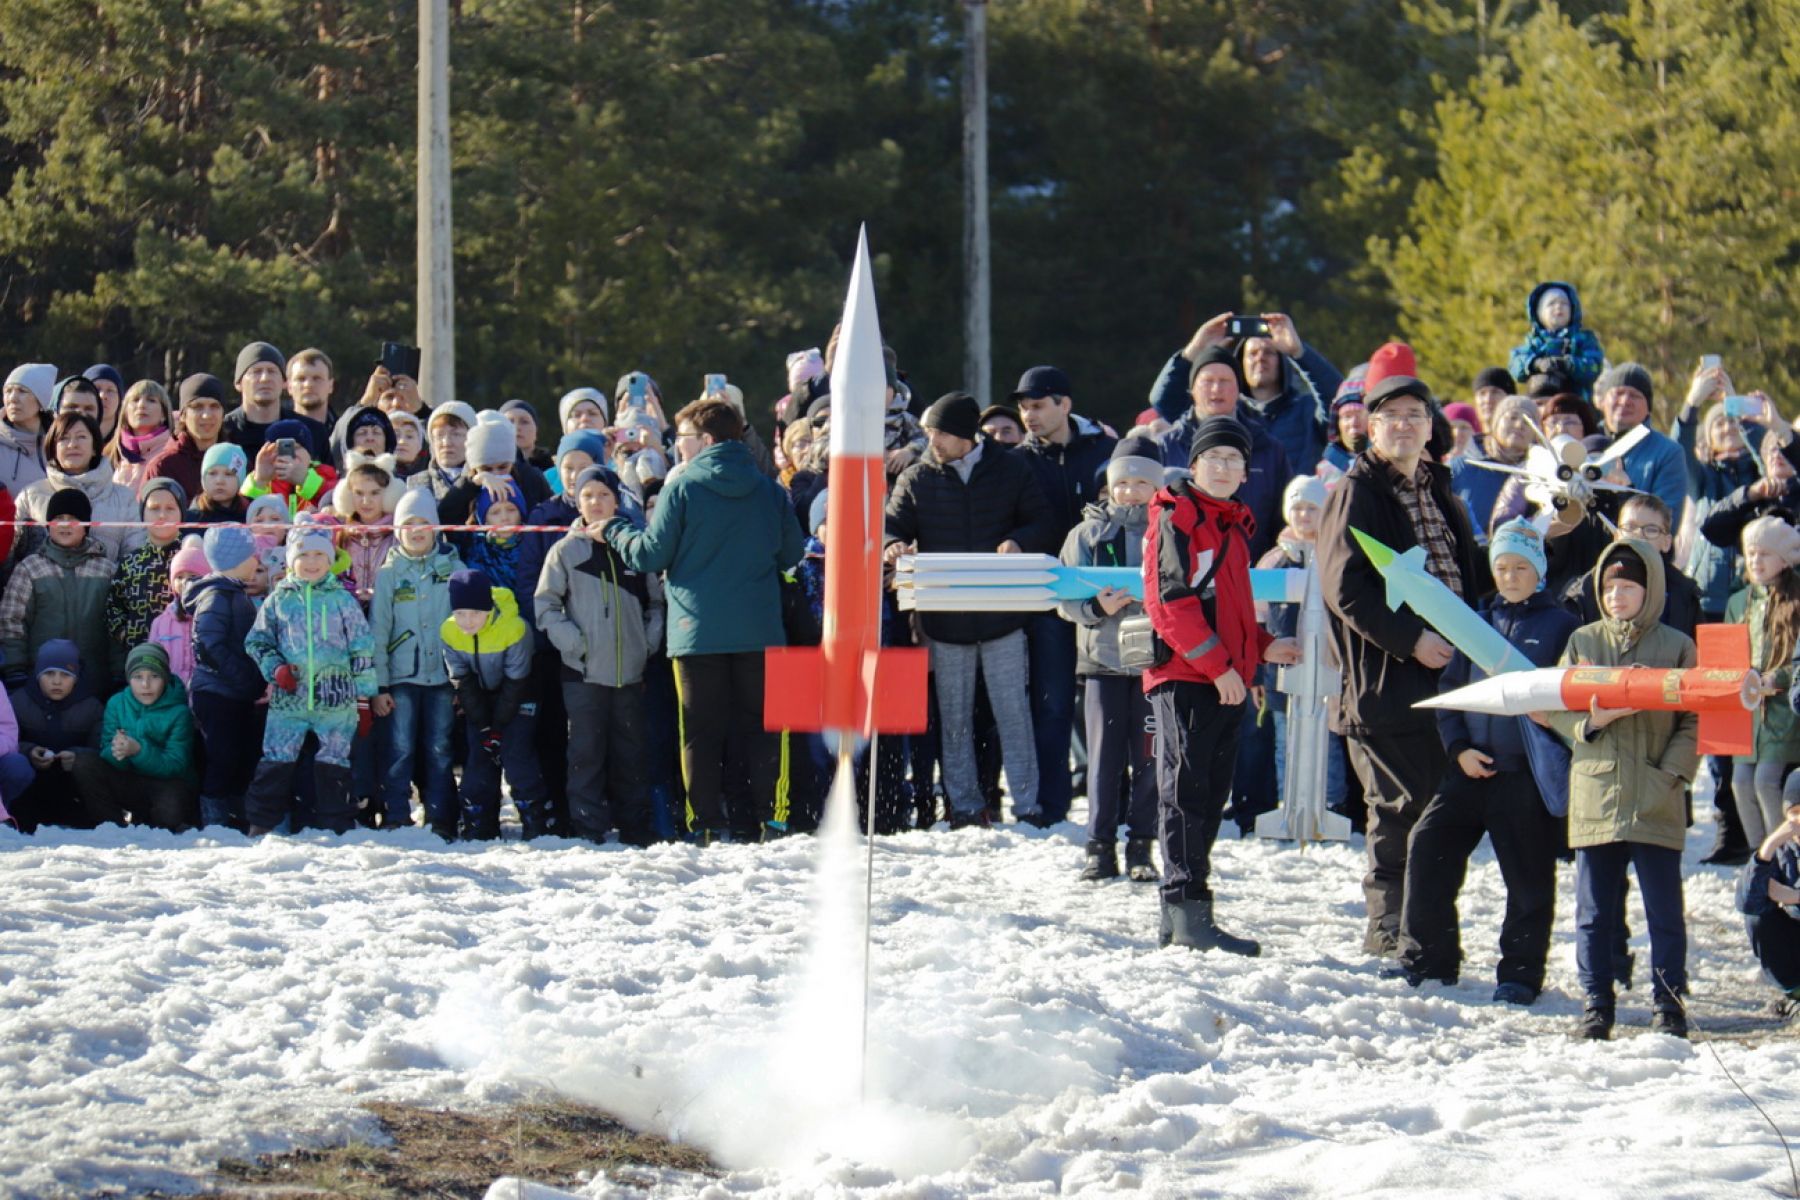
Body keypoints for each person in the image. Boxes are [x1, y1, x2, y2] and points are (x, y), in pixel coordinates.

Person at [1317, 358, 1483, 958]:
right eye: (1391, 417)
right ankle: (1389, 935)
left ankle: (1428, 933)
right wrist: (1409, 639)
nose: (1405, 426)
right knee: (1395, 816)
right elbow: (1345, 588)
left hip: (1448, 681)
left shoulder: (1443, 492)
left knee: (1439, 816)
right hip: (1385, 685)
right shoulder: (1356, 493)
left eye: (1417, 415)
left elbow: (1468, 578)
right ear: (1368, 426)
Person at [603, 398, 804, 843]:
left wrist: (615, 529)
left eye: (686, 439)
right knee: (766, 727)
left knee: (699, 732)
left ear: (707, 440)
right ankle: (772, 818)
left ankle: (706, 823)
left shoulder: (682, 488)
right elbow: (792, 555)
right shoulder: (771, 490)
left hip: (696, 633)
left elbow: (650, 554)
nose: (681, 447)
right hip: (760, 630)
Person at [1393, 519, 1576, 1002]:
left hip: (1525, 777)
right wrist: (1458, 750)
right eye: (1502, 567)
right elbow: (1452, 690)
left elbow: (1570, 695)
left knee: (1529, 877)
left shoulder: (1563, 626)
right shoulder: (1476, 622)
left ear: (1538, 570)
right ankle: (1427, 958)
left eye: (1521, 567)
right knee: (1427, 844)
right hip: (1471, 767)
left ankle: (1519, 973)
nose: (1511, 576)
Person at [1144, 415, 1300, 954]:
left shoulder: (1230, 522)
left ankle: (1185, 915)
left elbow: (1230, 607)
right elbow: (1171, 604)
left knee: (1208, 795)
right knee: (1186, 794)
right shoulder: (1179, 517)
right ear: (1195, 465)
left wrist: (1260, 645)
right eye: (1217, 457)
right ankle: (1187, 912)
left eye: (1236, 459)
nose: (1228, 467)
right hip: (1189, 677)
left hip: (1221, 677)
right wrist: (1220, 666)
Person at [1547, 540, 1698, 1040]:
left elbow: (1694, 718)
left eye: (1628, 587)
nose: (1617, 597)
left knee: (1664, 911)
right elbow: (1558, 707)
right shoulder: (1583, 642)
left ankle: (1669, 1003)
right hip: (1598, 792)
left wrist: (1671, 774)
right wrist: (1591, 722)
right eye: (1610, 588)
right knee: (1593, 913)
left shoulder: (1676, 645)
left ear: (1649, 590)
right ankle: (1596, 1003)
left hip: (1656, 793)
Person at [884, 391, 1056, 829]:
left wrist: (1020, 540)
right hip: (945, 621)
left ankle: (1028, 806)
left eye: (938, 433)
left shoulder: (1011, 469)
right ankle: (963, 805)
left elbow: (1041, 521)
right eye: (928, 432)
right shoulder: (918, 479)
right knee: (954, 719)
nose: (931, 441)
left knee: (1012, 714)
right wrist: (893, 545)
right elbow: (892, 524)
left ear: (964, 434)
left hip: (1004, 618)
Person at [535, 466, 662, 846]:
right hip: (583, 672)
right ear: (577, 500)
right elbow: (546, 605)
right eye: (588, 495)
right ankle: (588, 827)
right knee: (586, 753)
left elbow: (656, 603)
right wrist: (574, 643)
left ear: (616, 500)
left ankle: (635, 827)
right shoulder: (565, 550)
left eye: (603, 495)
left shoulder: (634, 546)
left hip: (630, 672)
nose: (596, 502)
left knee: (632, 754)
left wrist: (647, 642)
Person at [1013, 365, 1117, 825]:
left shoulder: (1107, 452)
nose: (1028, 415)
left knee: (1114, 706)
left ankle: (1117, 802)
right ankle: (1051, 808)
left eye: (1037, 406)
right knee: (1052, 704)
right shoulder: (1018, 460)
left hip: (1109, 598)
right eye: (1023, 407)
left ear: (1064, 405)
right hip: (1048, 600)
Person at [1057, 437, 1160, 880]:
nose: (1131, 492)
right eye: (1123, 483)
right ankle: (1099, 846)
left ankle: (1141, 845)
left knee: (1150, 759)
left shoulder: (1170, 530)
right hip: (1102, 662)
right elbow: (1064, 597)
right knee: (1103, 758)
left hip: (1156, 664)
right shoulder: (1087, 533)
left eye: (1142, 483)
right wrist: (1098, 607)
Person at [242, 521, 377, 835]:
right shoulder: (279, 600)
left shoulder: (344, 600)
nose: (312, 562)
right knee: (276, 762)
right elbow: (258, 642)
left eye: (320, 554)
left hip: (337, 700)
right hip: (291, 699)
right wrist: (275, 669)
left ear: (330, 560)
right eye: (304, 555)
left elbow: (362, 648)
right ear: (291, 561)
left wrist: (364, 697)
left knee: (335, 765)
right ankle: (261, 824)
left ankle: (338, 826)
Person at [516, 429, 609, 835]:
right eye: (567, 468)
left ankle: (598, 809)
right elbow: (529, 583)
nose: (574, 477)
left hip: (601, 645)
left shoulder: (617, 517)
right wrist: (553, 630)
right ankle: (557, 808)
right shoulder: (543, 516)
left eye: (582, 468)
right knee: (552, 731)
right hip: (551, 644)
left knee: (596, 734)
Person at [1149, 312, 1340, 478]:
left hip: (1296, 514)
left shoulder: (1306, 411)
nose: (1260, 358)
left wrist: (1299, 352)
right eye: (1252, 353)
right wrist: (1194, 350)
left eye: (1269, 353)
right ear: (1240, 365)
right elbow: (1164, 401)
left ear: (1282, 361)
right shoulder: (1225, 411)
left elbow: (1339, 399)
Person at [370, 489, 460, 834]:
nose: (417, 530)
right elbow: (378, 630)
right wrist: (379, 685)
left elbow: (465, 628)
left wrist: (462, 681)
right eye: (409, 524)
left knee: (439, 750)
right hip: (401, 678)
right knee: (400, 748)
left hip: (442, 678)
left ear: (436, 528)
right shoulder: (389, 573)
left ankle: (441, 819)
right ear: (397, 530)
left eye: (424, 523)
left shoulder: (453, 568)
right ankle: (395, 815)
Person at [1152, 345, 1292, 560]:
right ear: (1192, 389)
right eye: (1208, 381)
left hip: (1254, 577)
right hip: (1183, 573)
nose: (1217, 389)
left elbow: (1283, 520)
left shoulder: (1268, 448)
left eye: (1225, 381)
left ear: (1238, 389)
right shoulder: (1165, 447)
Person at [442, 568, 544, 840]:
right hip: (481, 699)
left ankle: (535, 819)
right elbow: (462, 679)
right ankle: (479, 823)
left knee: (516, 755)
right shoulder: (450, 631)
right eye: (460, 613)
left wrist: (498, 727)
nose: (467, 621)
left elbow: (516, 682)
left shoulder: (514, 628)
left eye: (475, 613)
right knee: (479, 757)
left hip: (520, 694)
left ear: (488, 608)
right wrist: (485, 727)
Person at [1725, 516, 1800, 847]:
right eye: (1751, 553)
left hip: (1781, 711)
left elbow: (1796, 658)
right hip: (1746, 711)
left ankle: (1781, 852)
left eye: (1764, 554)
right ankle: (1759, 857)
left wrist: (1776, 678)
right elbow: (1723, 652)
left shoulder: (1795, 601)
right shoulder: (1737, 602)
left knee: (1766, 781)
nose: (1755, 561)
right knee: (1740, 782)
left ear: (1784, 559)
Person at [187, 523, 268, 829]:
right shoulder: (217, 596)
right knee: (222, 758)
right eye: (252, 555)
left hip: (233, 693)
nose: (257, 561)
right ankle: (215, 821)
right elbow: (208, 644)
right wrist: (246, 678)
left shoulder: (231, 593)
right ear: (236, 558)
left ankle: (234, 816)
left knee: (238, 756)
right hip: (218, 693)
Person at [0, 488, 122, 689]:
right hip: (40, 683)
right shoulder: (30, 568)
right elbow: (11, 621)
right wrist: (15, 669)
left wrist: (118, 671)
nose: (65, 524)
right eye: (58, 518)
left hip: (94, 683)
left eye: (73, 518)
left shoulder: (106, 570)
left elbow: (116, 625)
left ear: (86, 525)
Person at [74, 642, 197, 831]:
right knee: (84, 762)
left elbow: (175, 764)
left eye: (154, 676)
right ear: (129, 679)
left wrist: (138, 751)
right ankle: (112, 825)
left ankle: (152, 823)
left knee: (170, 810)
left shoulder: (179, 712)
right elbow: (106, 747)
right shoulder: (116, 703)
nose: (145, 685)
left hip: (163, 783)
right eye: (138, 677)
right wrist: (118, 752)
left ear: (165, 678)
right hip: (126, 780)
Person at [15, 411, 142, 562]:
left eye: (81, 437)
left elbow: (134, 555)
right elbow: (12, 553)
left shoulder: (124, 498)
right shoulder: (30, 496)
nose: (72, 444)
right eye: (64, 438)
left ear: (95, 447)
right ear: (53, 448)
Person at [6, 640, 104, 832]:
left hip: (73, 786)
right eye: (49, 673)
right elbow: (8, 740)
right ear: (37, 675)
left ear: (76, 678)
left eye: (65, 674)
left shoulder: (92, 707)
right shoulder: (18, 702)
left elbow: (101, 749)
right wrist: (29, 751)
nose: (57, 681)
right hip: (32, 785)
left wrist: (78, 757)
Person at [1591, 363, 1687, 521]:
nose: (1625, 401)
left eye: (1634, 395)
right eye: (1618, 393)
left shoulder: (1668, 453)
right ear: (1602, 401)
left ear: (1648, 408)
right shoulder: (1584, 443)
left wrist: (1626, 493)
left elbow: (1667, 521)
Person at [104, 479, 187, 653]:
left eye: (170, 508)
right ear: (143, 514)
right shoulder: (130, 563)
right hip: (141, 659)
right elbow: (114, 606)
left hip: (184, 656)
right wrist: (125, 634)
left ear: (181, 514)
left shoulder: (190, 559)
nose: (162, 515)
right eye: (154, 508)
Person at [1737, 800, 1800, 1021]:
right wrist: (1767, 849)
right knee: (1758, 917)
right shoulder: (1781, 851)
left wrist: (1794, 897)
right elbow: (1749, 904)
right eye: (1795, 813)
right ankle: (1795, 993)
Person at [223, 341, 327, 460]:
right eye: (256, 372)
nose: (265, 378)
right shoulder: (224, 432)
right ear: (238, 383)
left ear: (284, 382)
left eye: (272, 371)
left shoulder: (310, 432)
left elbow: (329, 476)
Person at [1454, 395, 1535, 544]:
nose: (1519, 425)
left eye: (1527, 422)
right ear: (1496, 422)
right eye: (1512, 417)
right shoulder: (1462, 467)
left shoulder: (1538, 475)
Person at [1507, 282, 1605, 399]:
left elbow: (1594, 366)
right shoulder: (1533, 343)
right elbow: (1515, 366)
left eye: (1564, 303)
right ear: (1539, 312)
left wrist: (1568, 365)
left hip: (1576, 406)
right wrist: (1535, 364)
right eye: (1551, 303)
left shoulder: (1584, 340)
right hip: (1540, 403)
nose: (1558, 307)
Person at [332, 451, 402, 607]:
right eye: (358, 493)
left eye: (375, 493)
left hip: (387, 610)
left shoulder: (397, 535)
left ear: (390, 494)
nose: (366, 501)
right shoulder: (340, 534)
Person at [145, 374, 229, 500]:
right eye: (198, 407)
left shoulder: (236, 460)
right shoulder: (164, 467)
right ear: (183, 415)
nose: (207, 415)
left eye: (214, 406)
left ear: (223, 414)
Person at [145, 537, 209, 685]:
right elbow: (152, 661)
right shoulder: (161, 622)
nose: (185, 582)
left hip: (206, 698)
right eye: (179, 577)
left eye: (193, 576)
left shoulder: (216, 616)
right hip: (170, 697)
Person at [242, 418, 337, 516]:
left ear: (309, 454)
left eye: (295, 448)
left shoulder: (325, 474)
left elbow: (339, 502)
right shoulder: (262, 479)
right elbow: (242, 513)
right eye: (279, 449)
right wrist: (260, 481)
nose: (290, 455)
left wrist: (306, 480)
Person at [104, 380, 176, 492]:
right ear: (125, 412)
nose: (141, 405)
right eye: (135, 400)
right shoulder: (110, 455)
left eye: (151, 400)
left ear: (164, 414)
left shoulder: (172, 454)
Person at [0, 362, 52, 496]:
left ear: (42, 400)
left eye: (22, 391)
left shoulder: (61, 442)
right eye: (8, 391)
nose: (12, 399)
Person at [185, 442, 251, 525]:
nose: (219, 481)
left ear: (240, 480)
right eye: (212, 473)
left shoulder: (250, 515)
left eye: (228, 474)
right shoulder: (191, 519)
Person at [285, 348, 336, 430]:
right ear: (289, 387)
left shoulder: (345, 434)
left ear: (331, 386)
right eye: (301, 379)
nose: (308, 385)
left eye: (317, 378)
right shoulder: (278, 433)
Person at [502, 399, 554, 474]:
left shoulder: (555, 470)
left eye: (524, 422)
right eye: (509, 422)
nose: (516, 427)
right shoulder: (492, 469)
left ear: (536, 430)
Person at [83, 363, 125, 442]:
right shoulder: (69, 438)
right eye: (97, 389)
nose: (103, 396)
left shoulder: (130, 442)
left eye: (110, 390)